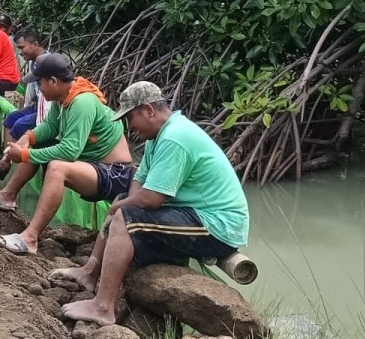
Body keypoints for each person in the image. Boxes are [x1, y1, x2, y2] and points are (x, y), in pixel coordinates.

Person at [54, 81, 251, 326]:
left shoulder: (174, 137)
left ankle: (103, 307)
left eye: (131, 117)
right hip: (193, 215)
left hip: (218, 225)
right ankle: (90, 271)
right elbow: (140, 181)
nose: (130, 126)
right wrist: (122, 203)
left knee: (127, 217)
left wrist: (120, 209)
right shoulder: (156, 138)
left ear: (148, 110)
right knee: (122, 201)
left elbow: (152, 199)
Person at [0, 53, 134, 255]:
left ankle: (29, 238)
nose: (38, 89)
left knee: (58, 167)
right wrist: (28, 139)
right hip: (93, 167)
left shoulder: (82, 102)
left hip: (115, 173)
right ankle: (6, 196)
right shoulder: (63, 97)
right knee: (36, 146)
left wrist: (23, 156)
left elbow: (70, 150)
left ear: (53, 81)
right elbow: (49, 126)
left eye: (39, 84)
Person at [3, 27, 48, 144]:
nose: (20, 52)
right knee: (10, 119)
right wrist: (26, 106)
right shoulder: (34, 62)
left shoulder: (48, 63)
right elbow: (31, 88)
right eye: (18, 48)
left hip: (48, 108)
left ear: (35, 44)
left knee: (19, 125)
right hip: (37, 105)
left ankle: (14, 158)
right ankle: (5, 155)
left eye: (22, 47)